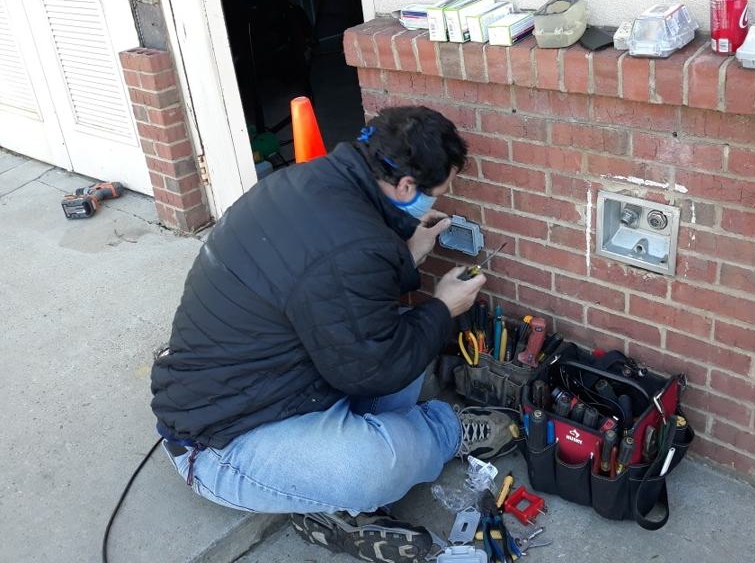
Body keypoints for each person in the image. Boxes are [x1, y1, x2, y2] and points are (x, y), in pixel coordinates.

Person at [150, 106, 518, 562]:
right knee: (369, 467)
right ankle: (439, 435)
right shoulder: (351, 247)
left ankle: (332, 491)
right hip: (222, 440)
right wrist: (444, 307)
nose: (444, 197)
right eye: (440, 191)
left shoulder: (314, 181)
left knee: (403, 338)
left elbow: (336, 287)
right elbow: (375, 363)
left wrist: (406, 256)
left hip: (282, 381)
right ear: (406, 186)